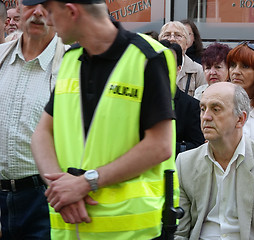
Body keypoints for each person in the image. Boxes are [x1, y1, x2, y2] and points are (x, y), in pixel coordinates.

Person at [28, 0, 178, 238]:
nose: (48, 19)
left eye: (51, 11)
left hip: (129, 233)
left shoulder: (147, 57)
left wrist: (85, 183)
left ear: (71, 11)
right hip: (71, 231)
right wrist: (60, 190)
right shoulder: (71, 60)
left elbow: (160, 146)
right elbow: (41, 134)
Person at [175, 82, 254, 239]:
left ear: (241, 119)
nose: (206, 116)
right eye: (203, 109)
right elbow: (179, 233)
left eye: (216, 109)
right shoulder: (185, 163)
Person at [0, 0, 67, 239]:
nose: (38, 12)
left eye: (47, 4)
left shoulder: (72, 66)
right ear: (18, 7)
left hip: (44, 199)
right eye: (31, 3)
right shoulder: (1, 58)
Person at [160, 39, 205, 155]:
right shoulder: (139, 101)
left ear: (178, 69)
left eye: (168, 63)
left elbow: (197, 147)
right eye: (158, 62)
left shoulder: (192, 106)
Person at [159, 21, 206, 97]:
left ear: (187, 43)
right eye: (167, 35)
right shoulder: (151, 67)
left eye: (178, 35)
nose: (172, 39)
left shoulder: (198, 71)